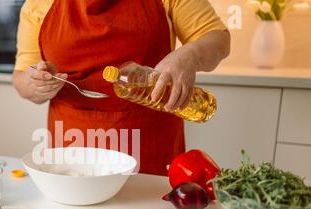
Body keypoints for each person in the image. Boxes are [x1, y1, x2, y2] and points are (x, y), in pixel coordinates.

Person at [13, 0, 230, 175]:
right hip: (72, 152)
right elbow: (21, 77)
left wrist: (190, 55)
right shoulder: (37, 5)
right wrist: (35, 83)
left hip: (150, 146)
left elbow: (219, 39)